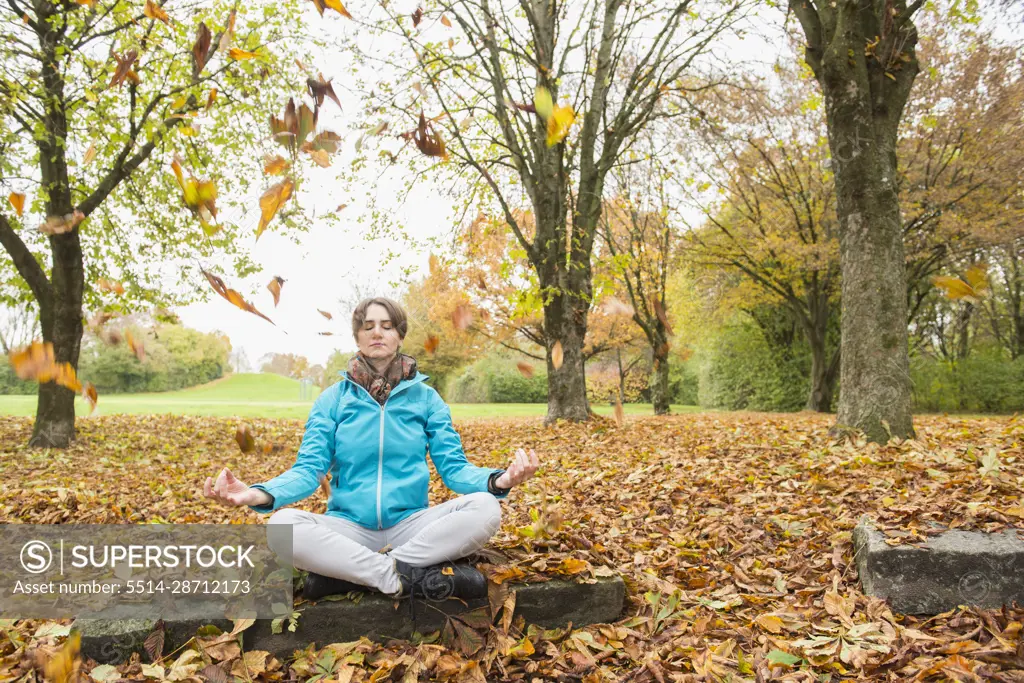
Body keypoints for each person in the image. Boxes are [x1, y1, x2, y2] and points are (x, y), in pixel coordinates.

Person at [203, 297, 540, 614]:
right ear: (358, 337)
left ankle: (349, 572)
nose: (377, 331)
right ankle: (399, 575)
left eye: (387, 325)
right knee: (281, 526)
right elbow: (309, 470)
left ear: (399, 335)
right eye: (368, 325)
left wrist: (499, 479)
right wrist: (258, 493)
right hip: (349, 527)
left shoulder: (427, 399)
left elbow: (454, 469)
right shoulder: (333, 400)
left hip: (411, 524)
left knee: (485, 507)